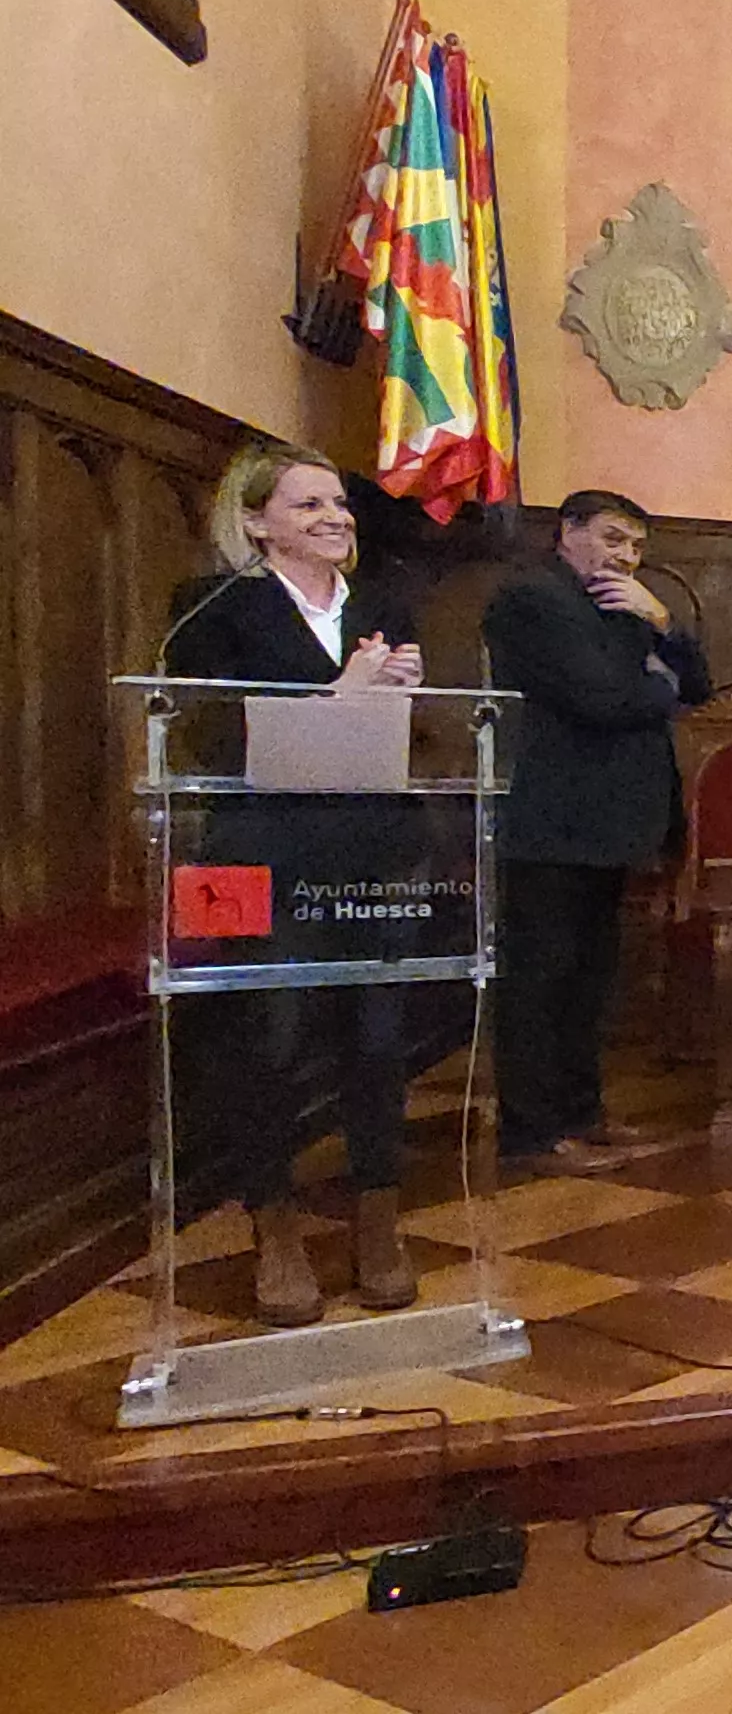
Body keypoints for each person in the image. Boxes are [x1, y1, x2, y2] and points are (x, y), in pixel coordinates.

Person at [166, 442, 428, 1327]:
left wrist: (405, 696)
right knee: (268, 1041)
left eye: (340, 504)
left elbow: (410, 737)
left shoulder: (382, 603)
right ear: (254, 521)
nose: (334, 518)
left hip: (375, 853)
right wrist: (345, 693)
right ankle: (273, 1227)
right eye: (309, 504)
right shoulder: (215, 609)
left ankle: (378, 1219)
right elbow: (210, 735)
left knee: (380, 1036)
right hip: (265, 856)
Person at [485, 489, 710, 1177]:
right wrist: (655, 687)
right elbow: (603, 699)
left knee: (590, 979)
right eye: (613, 539)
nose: (626, 556)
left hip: (612, 825)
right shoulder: (531, 599)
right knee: (538, 978)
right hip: (550, 821)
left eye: (637, 546)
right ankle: (528, 1131)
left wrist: (663, 624)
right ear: (568, 532)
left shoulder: (631, 605)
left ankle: (582, 1112)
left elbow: (698, 684)